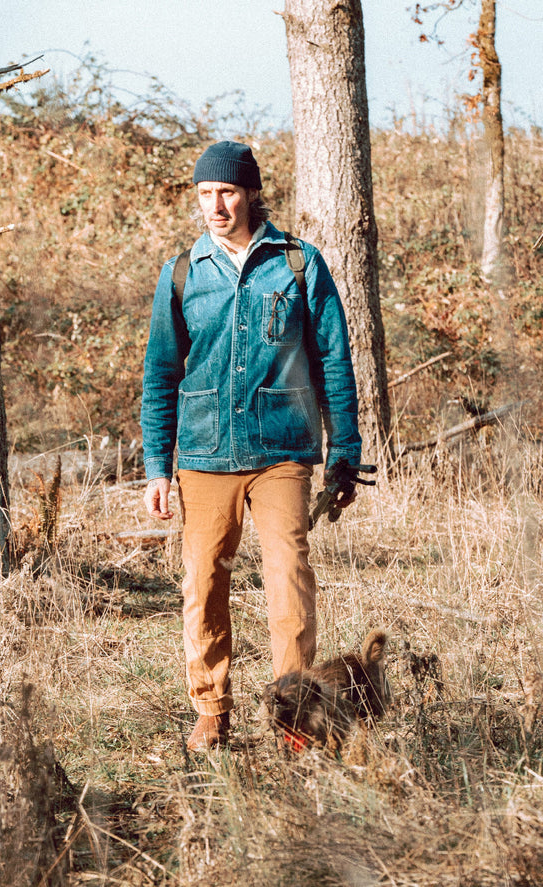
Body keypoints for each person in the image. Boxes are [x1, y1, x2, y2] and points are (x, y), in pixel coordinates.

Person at [141, 140, 361, 751]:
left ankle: (295, 715)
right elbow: (161, 373)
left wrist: (344, 453)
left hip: (282, 452)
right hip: (204, 455)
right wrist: (158, 466)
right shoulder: (183, 273)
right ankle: (212, 708)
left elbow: (334, 364)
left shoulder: (297, 264)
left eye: (227, 192)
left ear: (251, 193)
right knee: (203, 582)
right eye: (205, 193)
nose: (215, 205)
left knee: (288, 575)